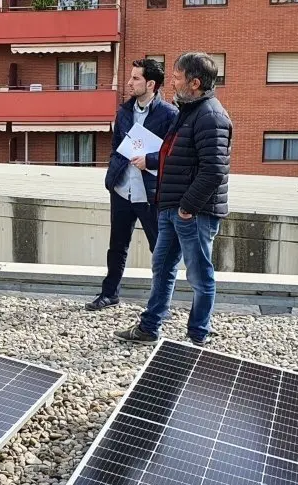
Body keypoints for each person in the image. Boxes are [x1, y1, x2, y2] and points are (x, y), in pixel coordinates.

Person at [114, 52, 232, 346]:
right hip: (172, 208)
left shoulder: (211, 116)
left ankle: (197, 336)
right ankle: (149, 327)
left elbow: (214, 171)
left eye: (178, 78)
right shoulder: (189, 111)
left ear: (194, 82)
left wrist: (187, 209)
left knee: (199, 276)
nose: (173, 83)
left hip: (193, 213)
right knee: (162, 268)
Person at [87, 58, 177, 311]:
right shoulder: (124, 111)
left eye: (136, 78)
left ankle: (160, 306)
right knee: (117, 245)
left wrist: (148, 161)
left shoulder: (170, 114)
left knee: (159, 250)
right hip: (121, 188)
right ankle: (109, 294)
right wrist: (113, 171)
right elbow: (116, 146)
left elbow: (174, 155)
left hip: (149, 193)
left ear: (151, 84)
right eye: (131, 77)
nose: (129, 82)